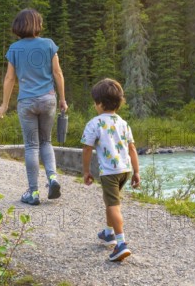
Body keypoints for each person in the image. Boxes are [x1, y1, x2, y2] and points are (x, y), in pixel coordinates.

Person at [0, 9, 68, 206]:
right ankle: (53, 178)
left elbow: (10, 78)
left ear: (18, 26)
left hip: (26, 101)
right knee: (46, 142)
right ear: (38, 25)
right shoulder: (48, 44)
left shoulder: (15, 49)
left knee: (32, 145)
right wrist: (62, 99)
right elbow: (57, 73)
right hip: (48, 99)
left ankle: (33, 192)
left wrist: (4, 105)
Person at [81, 78, 140, 262]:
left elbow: (87, 148)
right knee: (110, 201)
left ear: (99, 103)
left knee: (113, 206)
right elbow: (132, 149)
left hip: (109, 173)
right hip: (125, 171)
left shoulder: (94, 123)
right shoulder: (124, 123)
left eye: (94, 102)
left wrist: (85, 171)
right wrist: (136, 172)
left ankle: (121, 244)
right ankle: (108, 233)